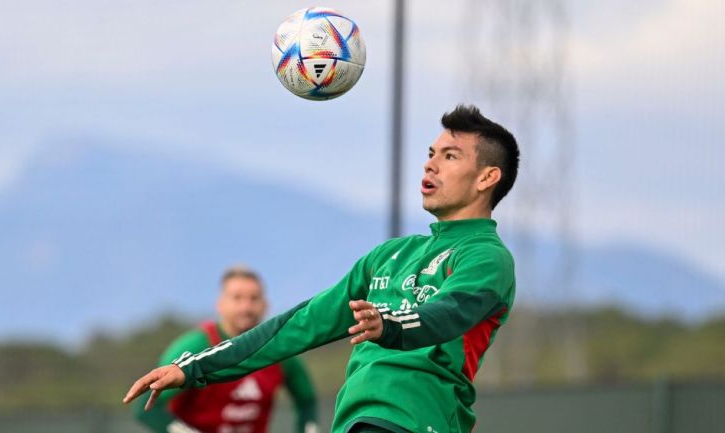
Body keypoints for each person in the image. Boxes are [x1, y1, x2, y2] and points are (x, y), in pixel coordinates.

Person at [124, 104, 520, 433]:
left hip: (417, 422)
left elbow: (450, 313)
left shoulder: (486, 257)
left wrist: (392, 324)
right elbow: (301, 324)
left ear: (488, 177)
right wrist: (193, 368)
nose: (430, 166)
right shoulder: (389, 255)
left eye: (449, 156)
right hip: (354, 423)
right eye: (430, 154)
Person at [132, 266, 319, 433]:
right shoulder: (194, 347)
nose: (246, 307)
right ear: (220, 304)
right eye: (237, 298)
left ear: (265, 305)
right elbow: (146, 409)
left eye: (254, 298)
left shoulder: (279, 349)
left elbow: (307, 400)